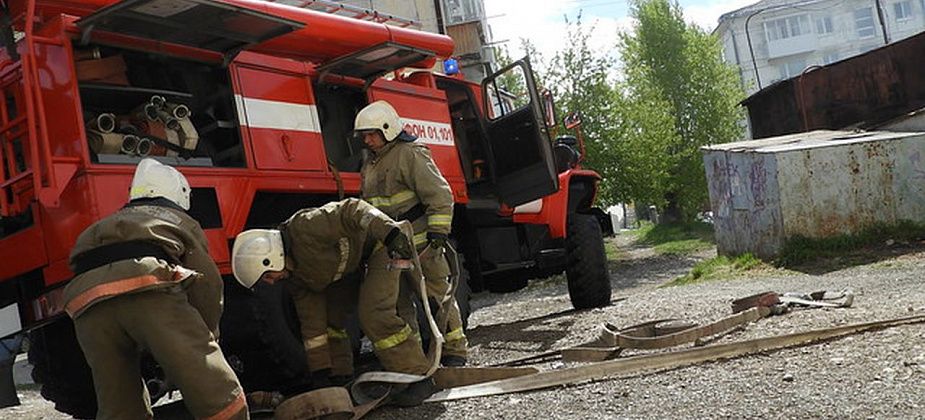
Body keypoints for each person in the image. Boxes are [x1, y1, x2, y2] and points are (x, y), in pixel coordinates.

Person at [64, 158, 247, 420]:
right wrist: (206, 336)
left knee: (119, 403)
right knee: (215, 392)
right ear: (180, 195)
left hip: (87, 305)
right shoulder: (180, 221)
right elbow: (207, 283)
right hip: (146, 285)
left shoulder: (109, 222)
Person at [232, 198, 436, 406]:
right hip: (350, 267)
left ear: (270, 258)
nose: (271, 282)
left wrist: (390, 233)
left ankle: (417, 376)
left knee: (374, 314)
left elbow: (352, 208)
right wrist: (321, 375)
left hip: (382, 245)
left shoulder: (305, 227)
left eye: (267, 276)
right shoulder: (296, 279)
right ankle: (342, 377)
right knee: (331, 322)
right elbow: (313, 328)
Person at [354, 100, 469, 366]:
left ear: (387, 129)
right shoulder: (370, 164)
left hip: (422, 245)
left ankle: (455, 352)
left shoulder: (411, 153)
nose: (367, 140)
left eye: (372, 134)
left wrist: (438, 234)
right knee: (400, 304)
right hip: (392, 248)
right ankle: (415, 359)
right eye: (364, 136)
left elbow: (440, 195)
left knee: (437, 295)